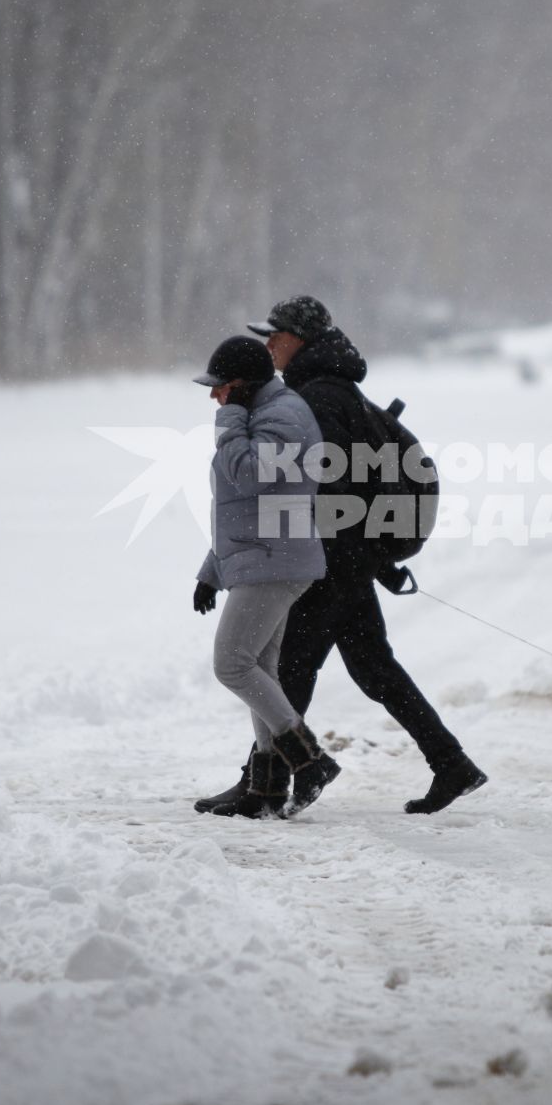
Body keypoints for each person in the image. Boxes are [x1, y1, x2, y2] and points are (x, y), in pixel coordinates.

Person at [196, 296, 488, 816]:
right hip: (343, 555)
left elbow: (322, 485)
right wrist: (372, 552)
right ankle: (451, 763)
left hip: (328, 560)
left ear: (299, 341)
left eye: (276, 335)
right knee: (373, 669)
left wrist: (356, 552)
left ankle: (271, 781)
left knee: (287, 669)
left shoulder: (317, 398)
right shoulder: (327, 390)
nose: (269, 346)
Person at [190, 335, 341, 819]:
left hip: (274, 558)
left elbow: (251, 476)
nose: (215, 396)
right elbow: (241, 507)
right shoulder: (268, 413)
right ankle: (266, 789)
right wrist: (211, 571)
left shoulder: (283, 416)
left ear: (242, 386)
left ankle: (310, 760)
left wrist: (229, 421)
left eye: (222, 388)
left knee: (231, 664)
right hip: (265, 554)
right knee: (261, 669)